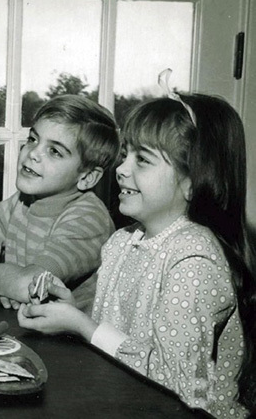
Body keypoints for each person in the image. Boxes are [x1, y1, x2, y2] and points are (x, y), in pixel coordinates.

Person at [18, 92, 256, 418]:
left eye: (142, 159)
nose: (121, 168)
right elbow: (116, 339)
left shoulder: (195, 261)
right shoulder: (122, 242)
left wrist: (85, 327)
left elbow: (178, 387)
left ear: (192, 182)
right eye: (125, 154)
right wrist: (73, 314)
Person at [0, 95, 119, 309]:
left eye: (54, 151)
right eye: (33, 139)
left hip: (73, 339)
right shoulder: (19, 203)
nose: (33, 153)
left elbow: (31, 285)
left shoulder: (89, 218)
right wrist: (2, 282)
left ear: (87, 177)